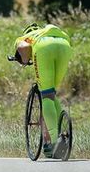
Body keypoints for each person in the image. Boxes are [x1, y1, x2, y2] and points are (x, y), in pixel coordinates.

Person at [13, 23, 72, 159]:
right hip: (64, 45)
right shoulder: (45, 31)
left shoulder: (26, 37)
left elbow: (24, 47)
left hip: (44, 48)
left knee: (46, 96)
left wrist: (24, 60)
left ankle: (55, 140)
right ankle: (61, 132)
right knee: (51, 93)